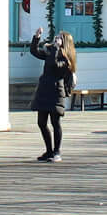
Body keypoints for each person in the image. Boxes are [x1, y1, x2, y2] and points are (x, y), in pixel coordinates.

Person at [28, 27, 76, 161]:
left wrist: (55, 49)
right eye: (56, 37)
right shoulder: (51, 52)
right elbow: (34, 51)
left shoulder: (66, 60)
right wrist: (36, 38)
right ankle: (48, 151)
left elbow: (53, 64)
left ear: (64, 42)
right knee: (41, 122)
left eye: (59, 38)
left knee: (55, 122)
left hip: (56, 92)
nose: (56, 39)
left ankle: (56, 152)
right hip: (44, 90)